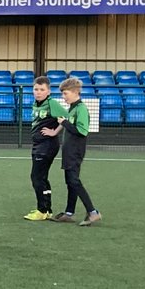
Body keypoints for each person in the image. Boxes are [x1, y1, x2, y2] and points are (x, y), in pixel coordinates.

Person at [54, 77, 102, 226]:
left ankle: (93, 212)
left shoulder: (80, 108)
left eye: (65, 93)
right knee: (70, 182)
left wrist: (64, 122)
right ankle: (69, 212)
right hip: (69, 150)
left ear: (75, 92)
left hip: (75, 151)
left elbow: (82, 131)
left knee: (74, 181)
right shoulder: (73, 108)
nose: (64, 97)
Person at [24, 76, 68, 220]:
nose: (38, 92)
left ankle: (42, 210)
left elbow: (67, 118)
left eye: (42, 90)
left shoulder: (52, 103)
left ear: (48, 91)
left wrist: (54, 132)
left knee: (36, 177)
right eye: (36, 89)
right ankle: (46, 209)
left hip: (47, 145)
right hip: (38, 145)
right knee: (42, 177)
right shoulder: (36, 104)